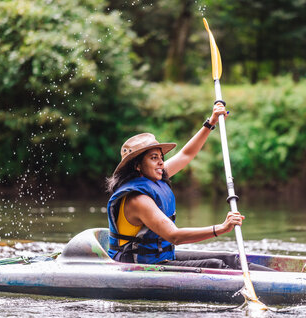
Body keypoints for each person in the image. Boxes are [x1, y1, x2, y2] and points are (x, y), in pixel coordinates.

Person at [105, 103, 274, 271]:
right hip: (138, 266)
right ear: (137, 165)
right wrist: (221, 228)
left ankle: (287, 280)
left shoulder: (155, 177)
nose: (161, 162)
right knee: (215, 266)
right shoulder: (137, 199)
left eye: (161, 157)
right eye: (154, 158)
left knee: (228, 259)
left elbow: (186, 155)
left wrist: (211, 123)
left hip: (160, 258)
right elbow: (174, 236)